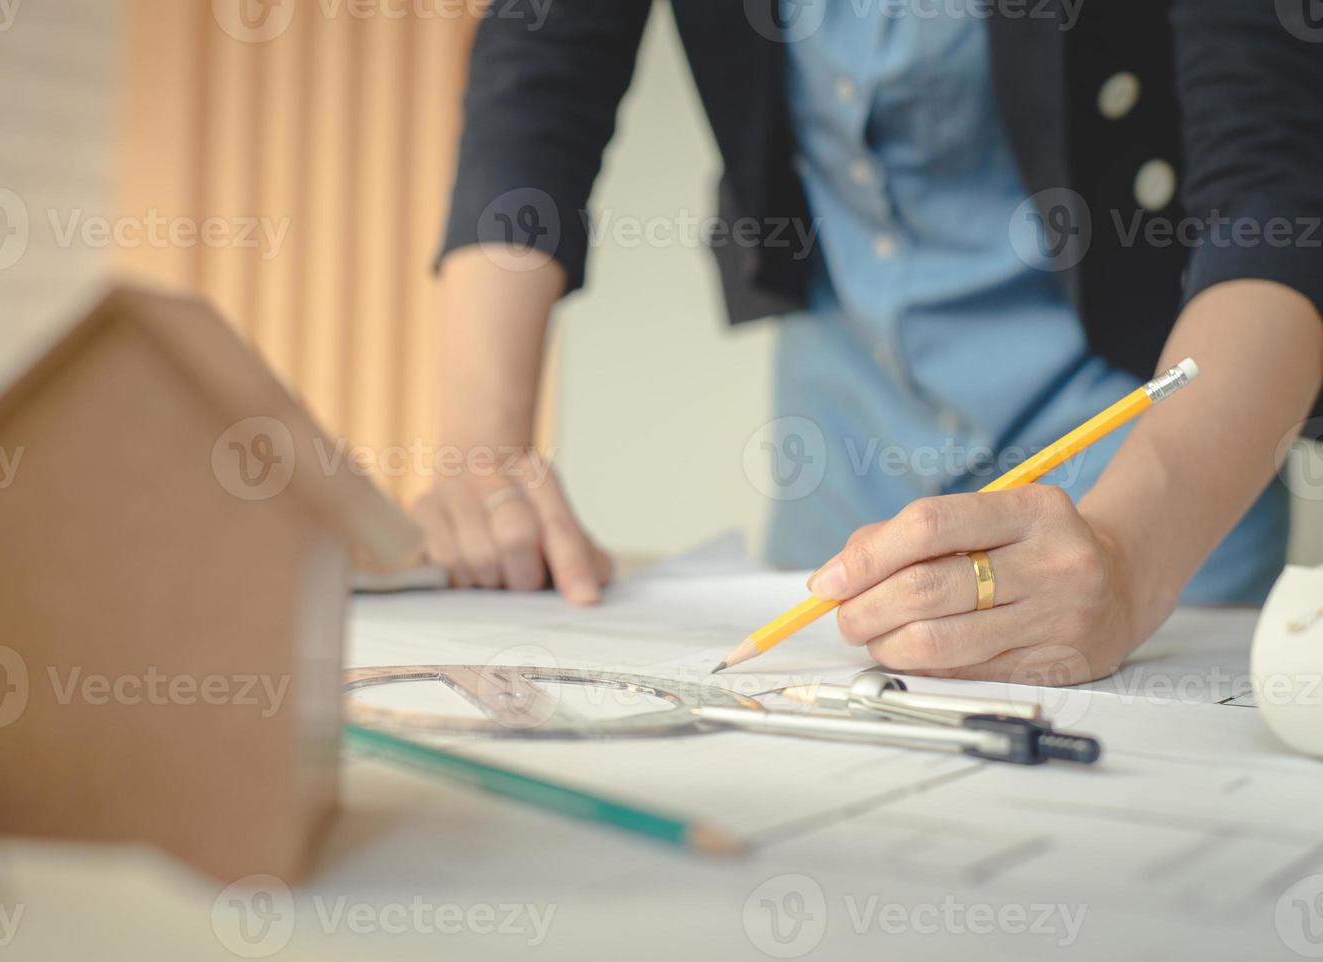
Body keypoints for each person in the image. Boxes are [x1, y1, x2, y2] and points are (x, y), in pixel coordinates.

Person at [413, 0, 1323, 684]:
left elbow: (1275, 199)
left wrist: (1128, 563)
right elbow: (539, 79)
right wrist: (481, 449)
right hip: (846, 427)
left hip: (1152, 453)